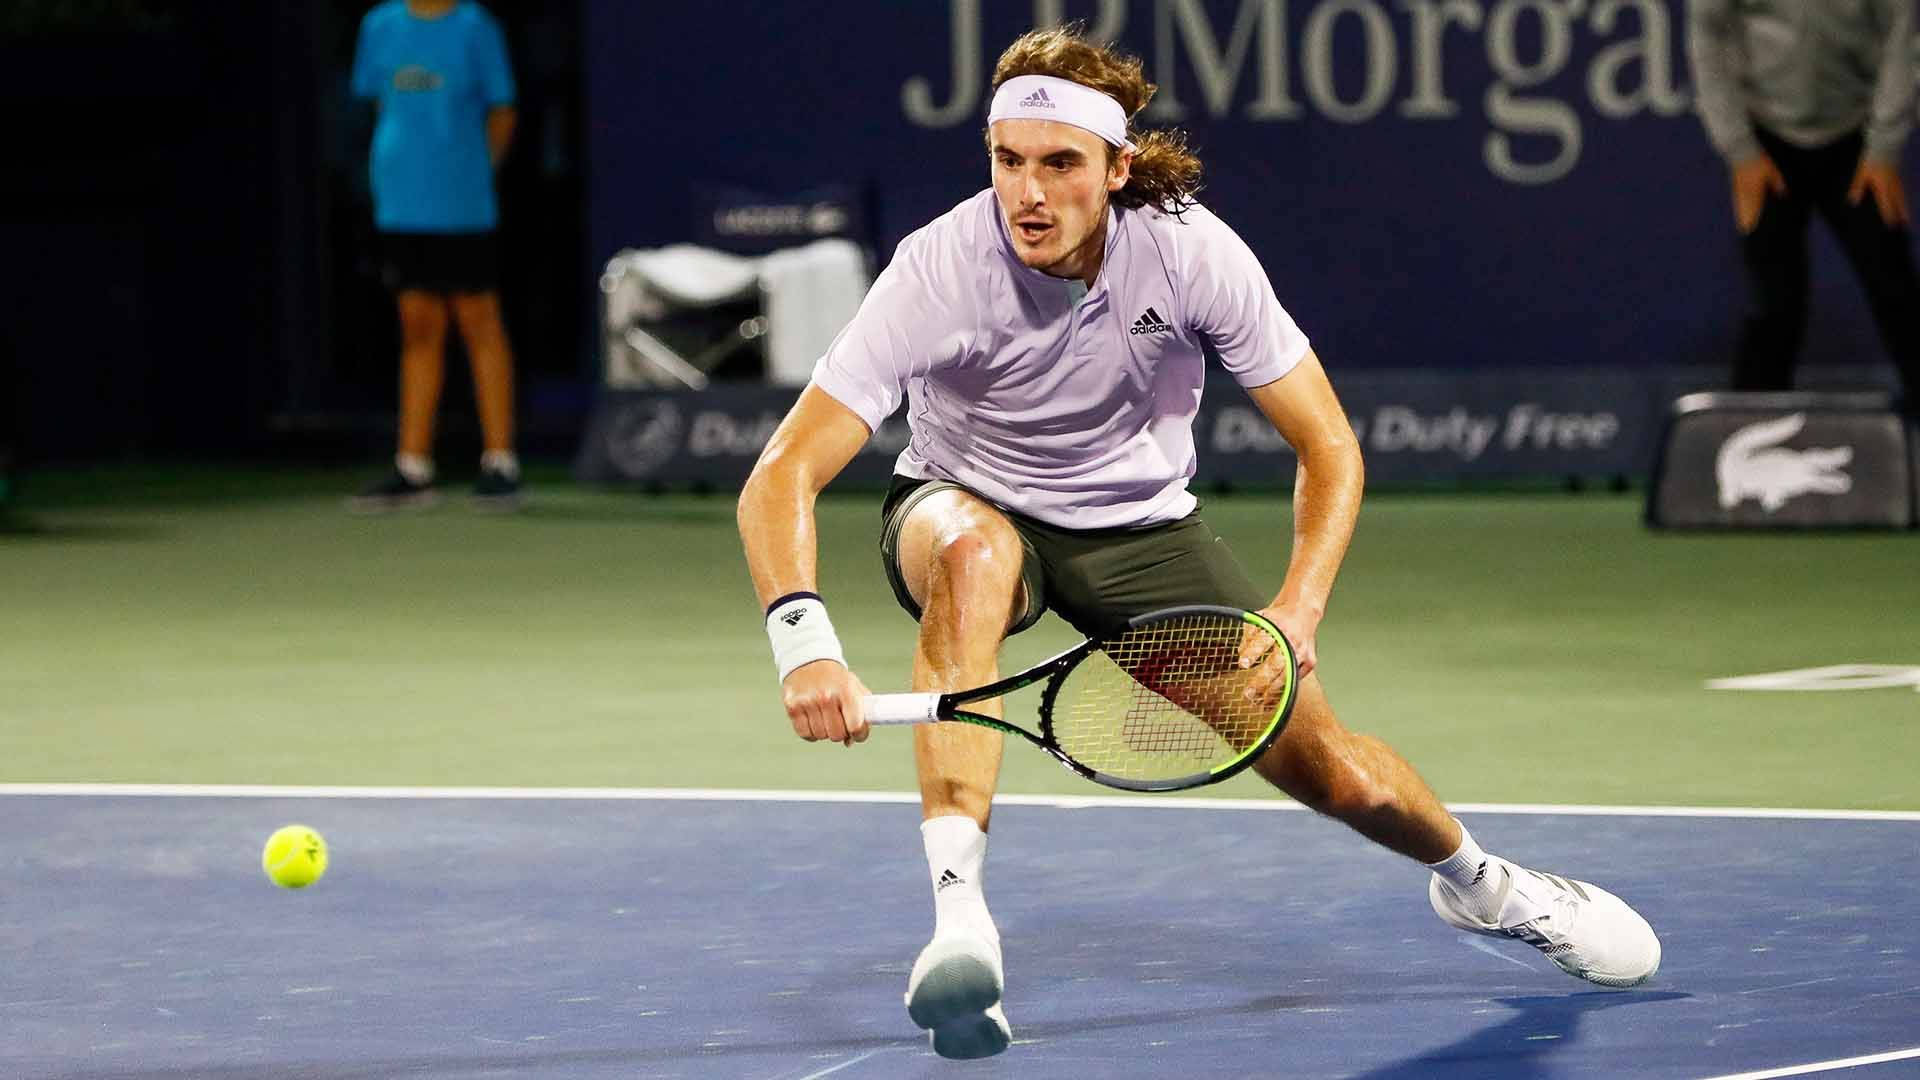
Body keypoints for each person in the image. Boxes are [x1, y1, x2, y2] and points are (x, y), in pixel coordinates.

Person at [736, 28, 1662, 1061]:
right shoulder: (939, 267)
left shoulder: (1190, 250)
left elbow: (1330, 446)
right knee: (975, 559)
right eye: (1008, 161)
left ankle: (1488, 887)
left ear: (1117, 168)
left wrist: (1297, 608)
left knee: (1339, 777)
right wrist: (803, 638)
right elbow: (783, 471)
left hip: (1144, 533)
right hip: (963, 501)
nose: (1028, 194)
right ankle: (961, 926)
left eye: (1060, 164)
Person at [1688, 0, 1920, 404]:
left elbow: (1902, 39)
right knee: (1772, 305)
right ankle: (1744, 441)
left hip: (1859, 144)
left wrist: (1882, 149)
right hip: (1765, 148)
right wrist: (1741, 152)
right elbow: (1707, 34)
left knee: (1896, 292)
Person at [348, 0, 522, 511]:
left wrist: (468, 173)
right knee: (417, 325)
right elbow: (379, 104)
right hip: (402, 204)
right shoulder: (378, 25)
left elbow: (503, 111)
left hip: (463, 204)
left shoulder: (475, 26)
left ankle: (499, 461)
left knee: (478, 320)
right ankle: (413, 466)